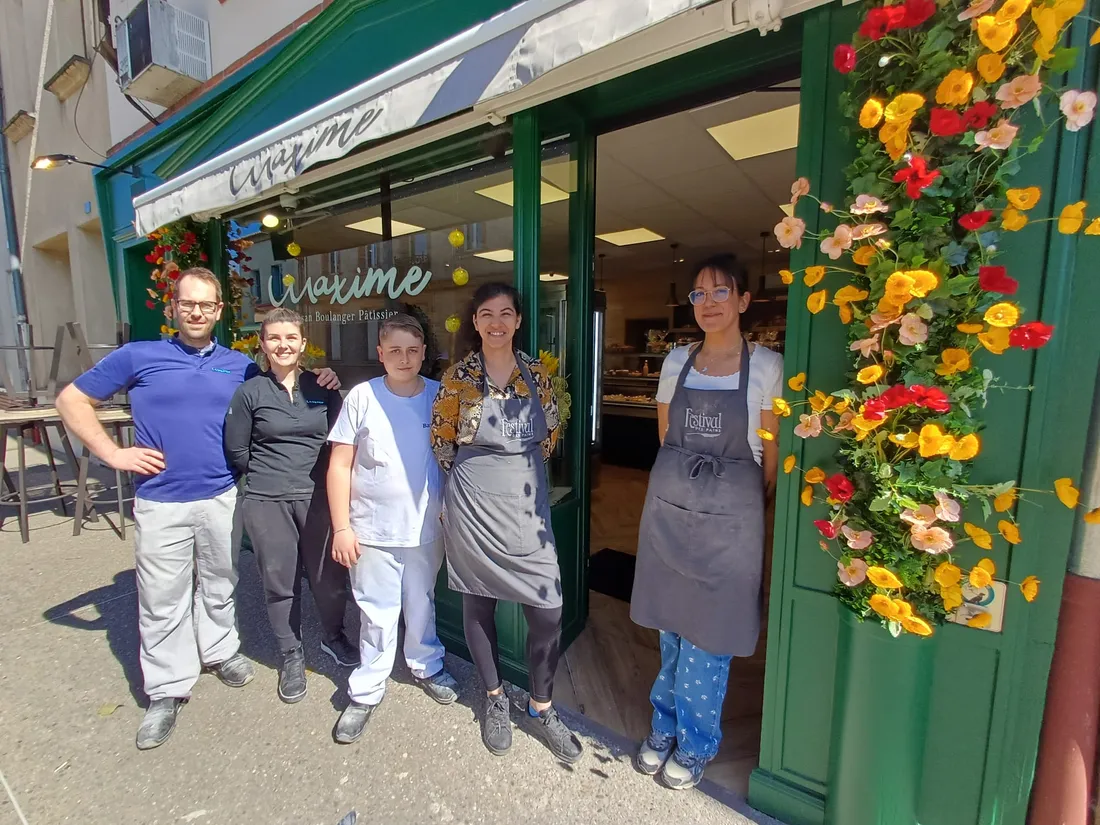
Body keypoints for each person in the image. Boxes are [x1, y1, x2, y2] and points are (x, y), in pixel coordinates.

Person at [56, 268, 340, 750]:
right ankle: (166, 689)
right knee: (162, 597)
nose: (197, 312)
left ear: (219, 311)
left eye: (206, 305)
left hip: (222, 493)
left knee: (220, 583)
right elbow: (72, 400)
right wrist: (112, 454)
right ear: (173, 307)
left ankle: (220, 651)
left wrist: (323, 375)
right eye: (188, 303)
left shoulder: (238, 366)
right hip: (161, 496)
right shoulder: (138, 356)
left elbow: (282, 384)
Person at [630, 254, 782, 789]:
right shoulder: (676, 361)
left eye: (721, 292)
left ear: (743, 300)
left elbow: (771, 458)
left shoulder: (767, 366)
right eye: (699, 294)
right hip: (671, 513)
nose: (709, 303)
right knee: (671, 628)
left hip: (730, 522)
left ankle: (696, 744)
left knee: (710, 635)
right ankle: (664, 725)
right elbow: (667, 438)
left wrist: (732, 500)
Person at [430, 282, 583, 764]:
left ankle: (541, 706)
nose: (496, 322)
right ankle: (494, 698)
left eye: (505, 314)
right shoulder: (458, 378)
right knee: (478, 604)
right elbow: (442, 442)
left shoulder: (537, 375)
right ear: (475, 322)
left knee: (549, 611)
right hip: (474, 505)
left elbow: (549, 436)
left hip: (525, 508)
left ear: (518, 321)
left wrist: (517, 477)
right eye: (486, 314)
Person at [326, 313, 459, 744]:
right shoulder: (362, 397)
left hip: (427, 525)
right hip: (371, 529)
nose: (405, 358)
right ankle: (367, 687)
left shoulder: (440, 396)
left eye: (413, 350)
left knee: (422, 601)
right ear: (380, 353)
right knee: (376, 611)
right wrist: (342, 528)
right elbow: (340, 465)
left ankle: (426, 665)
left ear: (424, 354)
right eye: (395, 350)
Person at [223, 307, 357, 706]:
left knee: (329, 577)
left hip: (319, 498)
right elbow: (237, 450)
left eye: (290, 338)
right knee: (279, 580)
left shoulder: (323, 386)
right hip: (268, 500)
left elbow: (341, 442)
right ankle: (291, 654)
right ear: (263, 344)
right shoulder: (250, 392)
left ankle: (333, 636)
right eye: (274, 338)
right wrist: (274, 474)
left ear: (302, 343)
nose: (283, 345)